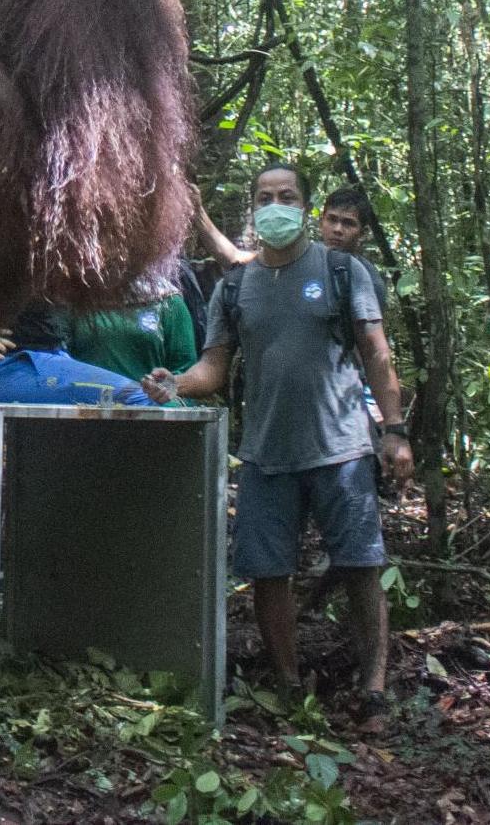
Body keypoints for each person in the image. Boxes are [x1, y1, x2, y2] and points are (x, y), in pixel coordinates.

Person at [167, 162, 412, 715]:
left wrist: (395, 432)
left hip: (342, 450)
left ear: (305, 207)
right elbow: (214, 367)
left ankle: (373, 689)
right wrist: (175, 383)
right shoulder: (235, 288)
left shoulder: (341, 271)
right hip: (265, 454)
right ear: (254, 209)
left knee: (361, 567)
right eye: (265, 198)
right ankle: (288, 687)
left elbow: (376, 354)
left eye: (287, 196)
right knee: (268, 573)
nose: (275, 207)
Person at [0, 306, 159, 406]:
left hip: (55, 362)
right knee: (138, 397)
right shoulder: (8, 250)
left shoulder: (164, 299)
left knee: (144, 397)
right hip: (17, 365)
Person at [62, 287, 202, 398]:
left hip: (149, 416)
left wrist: (164, 387)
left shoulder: (168, 302)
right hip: (81, 411)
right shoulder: (68, 299)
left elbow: (186, 373)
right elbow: (57, 368)